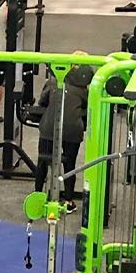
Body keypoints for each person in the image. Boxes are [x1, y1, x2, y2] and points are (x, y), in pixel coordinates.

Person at [35, 64, 93, 196]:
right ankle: (68, 200)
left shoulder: (52, 83)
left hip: (49, 127)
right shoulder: (85, 91)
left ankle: (37, 195)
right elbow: (87, 107)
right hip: (73, 130)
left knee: (42, 163)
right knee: (69, 165)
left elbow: (42, 102)